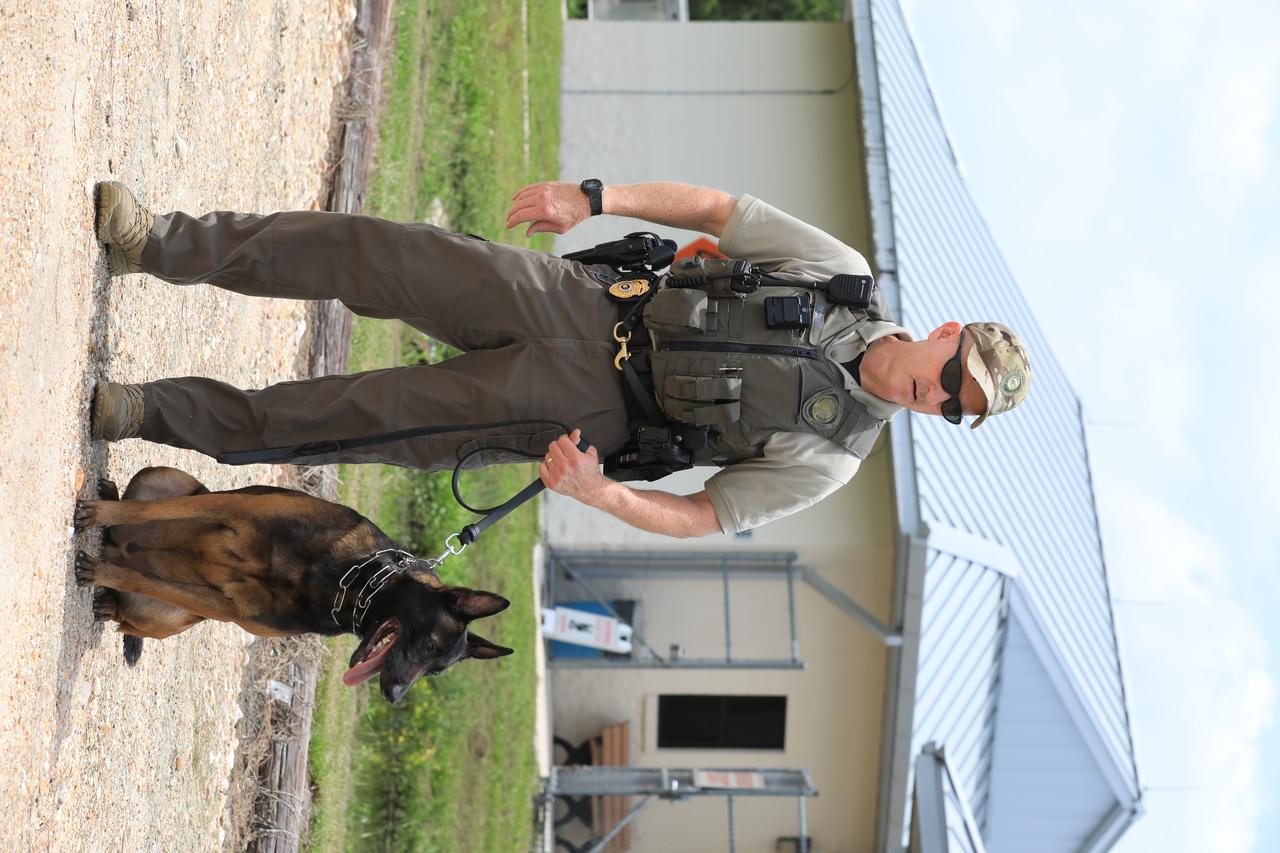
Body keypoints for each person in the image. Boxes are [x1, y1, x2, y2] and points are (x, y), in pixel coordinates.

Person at [90, 179, 1031, 538]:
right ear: (946, 331)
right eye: (955, 375)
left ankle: (144, 411)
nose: (940, 396)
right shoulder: (841, 274)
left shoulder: (831, 458)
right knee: (380, 252)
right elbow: (720, 213)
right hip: (584, 299)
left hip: (584, 410)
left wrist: (599, 492)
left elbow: (703, 515)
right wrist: (595, 197)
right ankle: (155, 243)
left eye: (958, 410)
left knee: (357, 416)